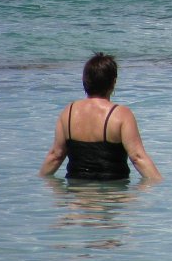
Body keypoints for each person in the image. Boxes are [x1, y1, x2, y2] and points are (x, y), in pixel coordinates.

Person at [39, 52, 162, 182]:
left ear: (85, 81)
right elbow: (137, 157)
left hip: (76, 192)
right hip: (113, 192)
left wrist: (40, 180)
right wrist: (159, 183)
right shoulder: (121, 115)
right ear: (113, 82)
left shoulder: (68, 113)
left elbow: (55, 156)